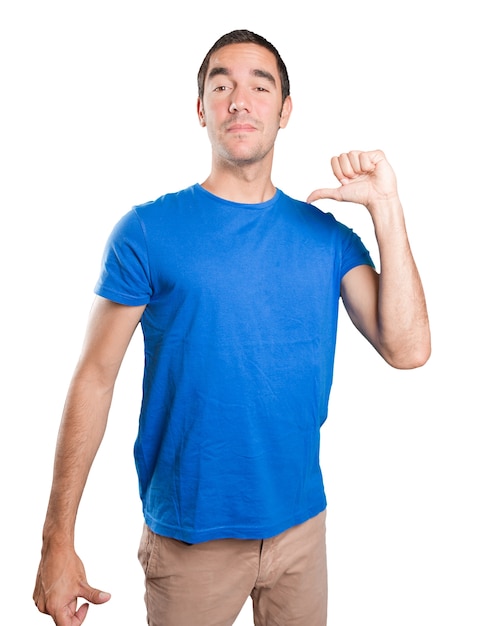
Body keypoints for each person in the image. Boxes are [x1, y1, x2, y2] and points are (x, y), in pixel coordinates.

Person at [33, 29, 431, 626]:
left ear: (285, 111)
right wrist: (56, 543)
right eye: (221, 85)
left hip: (301, 535)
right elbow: (94, 379)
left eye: (259, 86)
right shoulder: (146, 232)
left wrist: (387, 210)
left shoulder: (328, 240)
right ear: (201, 110)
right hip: (191, 543)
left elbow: (409, 348)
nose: (239, 100)